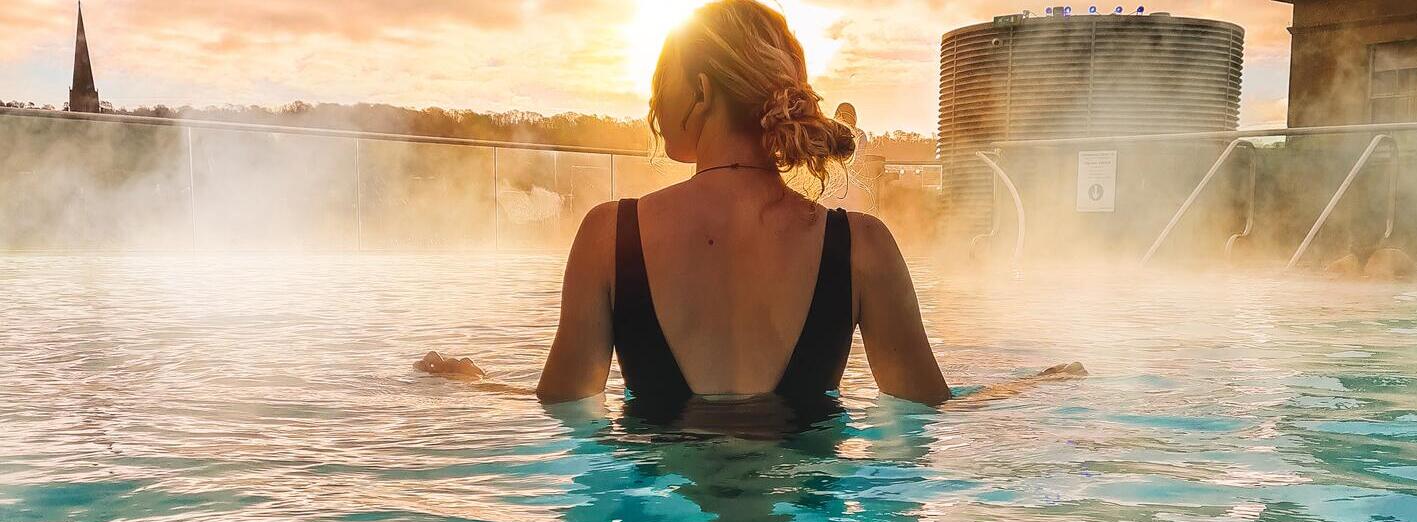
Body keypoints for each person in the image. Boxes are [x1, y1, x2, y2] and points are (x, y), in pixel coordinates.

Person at [418, 0, 1082, 415]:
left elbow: (563, 411)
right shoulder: (865, 246)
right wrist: (1032, 384)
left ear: (701, 90)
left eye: (660, 83)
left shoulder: (607, 236)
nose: (651, 105)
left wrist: (474, 379)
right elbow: (931, 414)